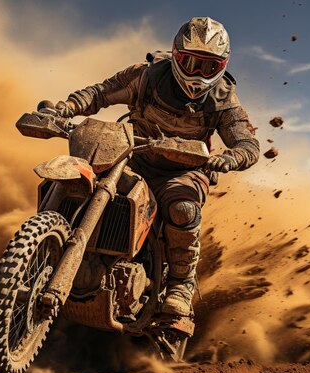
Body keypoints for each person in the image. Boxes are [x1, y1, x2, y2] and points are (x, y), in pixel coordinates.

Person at [49, 17, 259, 317]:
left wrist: (230, 158)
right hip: (131, 157)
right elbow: (100, 93)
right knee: (77, 179)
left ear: (222, 66)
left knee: (183, 208)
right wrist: (66, 108)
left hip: (184, 171)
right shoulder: (146, 77)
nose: (198, 74)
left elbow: (248, 145)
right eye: (190, 62)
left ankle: (180, 285)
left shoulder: (224, 101)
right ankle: (42, 251)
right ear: (175, 55)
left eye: (208, 67)